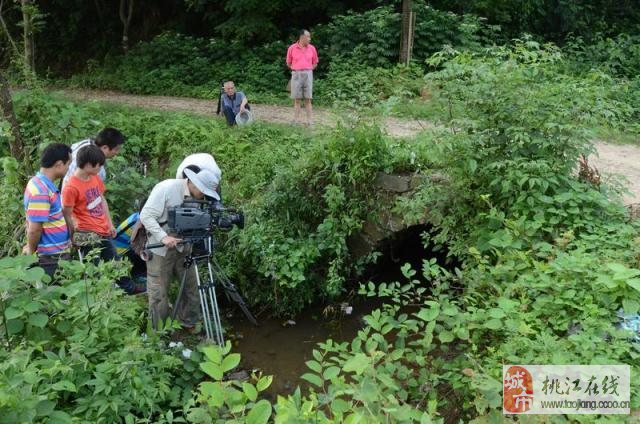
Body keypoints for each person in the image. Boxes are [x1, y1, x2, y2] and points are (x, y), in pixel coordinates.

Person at [140, 168, 220, 330]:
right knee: (159, 294)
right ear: (194, 183)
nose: (204, 196)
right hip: (160, 249)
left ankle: (188, 322)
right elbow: (146, 216)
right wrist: (164, 237)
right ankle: (158, 333)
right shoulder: (166, 189)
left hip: (184, 247)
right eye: (203, 191)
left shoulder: (201, 198)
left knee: (192, 287)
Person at [23, 143, 73, 279]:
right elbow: (35, 229)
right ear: (58, 165)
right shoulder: (41, 191)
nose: (69, 168)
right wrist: (31, 251)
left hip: (56, 254)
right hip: (50, 259)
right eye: (68, 164)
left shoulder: (41, 184)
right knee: (56, 295)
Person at [61, 145, 117, 262]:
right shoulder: (71, 187)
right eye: (98, 165)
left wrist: (110, 224)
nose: (101, 168)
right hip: (86, 232)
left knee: (116, 265)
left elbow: (102, 199)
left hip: (103, 229)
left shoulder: (95, 177)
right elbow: (67, 215)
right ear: (87, 165)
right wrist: (72, 237)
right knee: (92, 270)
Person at [286, 29, 318, 126]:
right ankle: (296, 120)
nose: (310, 39)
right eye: (308, 37)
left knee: (308, 99)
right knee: (297, 99)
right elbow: (288, 62)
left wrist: (308, 70)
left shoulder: (312, 48)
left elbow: (315, 62)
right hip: (296, 74)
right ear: (302, 37)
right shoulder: (292, 48)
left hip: (308, 74)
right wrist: (295, 70)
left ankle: (310, 121)